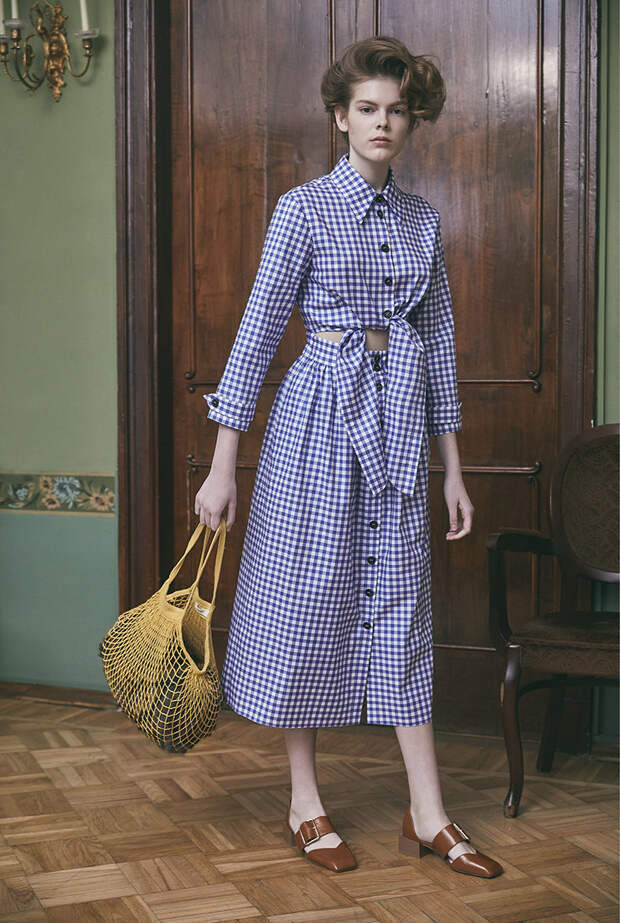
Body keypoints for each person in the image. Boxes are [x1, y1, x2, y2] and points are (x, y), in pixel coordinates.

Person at [194, 36, 503, 878]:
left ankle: (428, 812)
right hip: (315, 424)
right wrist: (223, 464)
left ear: (412, 121)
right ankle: (305, 801)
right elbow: (257, 334)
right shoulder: (301, 210)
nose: (382, 123)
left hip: (397, 421)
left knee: (401, 606)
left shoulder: (423, 221)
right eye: (366, 108)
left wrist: (453, 468)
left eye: (396, 111)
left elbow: (437, 349)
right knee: (306, 601)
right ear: (340, 116)